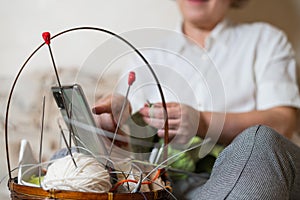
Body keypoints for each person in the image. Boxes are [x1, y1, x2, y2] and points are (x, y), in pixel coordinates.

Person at [92, 0, 300, 199]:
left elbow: (283, 123)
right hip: (169, 186)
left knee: (260, 141)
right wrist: (114, 128)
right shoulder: (147, 57)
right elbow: (130, 154)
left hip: (251, 175)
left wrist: (203, 123)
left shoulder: (265, 40)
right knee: (72, 157)